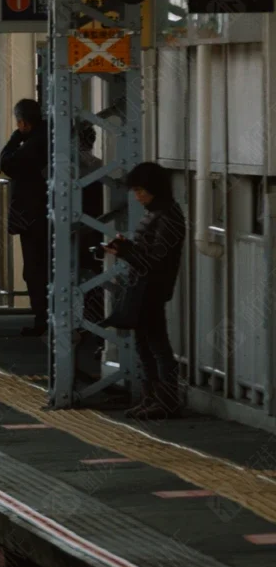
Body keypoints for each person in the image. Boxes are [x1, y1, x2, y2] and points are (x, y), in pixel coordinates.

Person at [103, 162, 187, 420]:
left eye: (141, 191)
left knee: (156, 344)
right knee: (145, 344)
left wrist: (127, 251)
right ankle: (153, 398)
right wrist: (127, 248)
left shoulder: (167, 216)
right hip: (145, 287)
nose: (138, 197)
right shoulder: (159, 213)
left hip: (152, 288)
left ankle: (165, 400)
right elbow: (149, 255)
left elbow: (156, 259)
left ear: (154, 189)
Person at [0, 99, 50, 337]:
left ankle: (43, 320)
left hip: (34, 218)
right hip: (45, 216)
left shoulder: (33, 142)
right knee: (45, 268)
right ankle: (46, 318)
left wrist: (14, 138)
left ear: (23, 122)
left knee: (34, 270)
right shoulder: (49, 136)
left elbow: (7, 163)